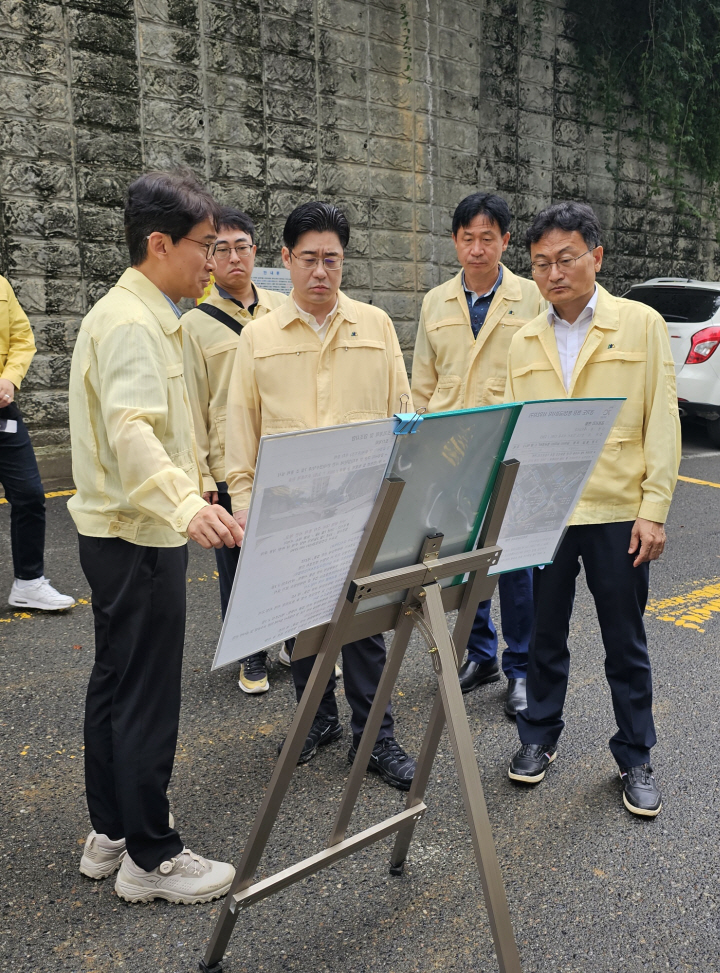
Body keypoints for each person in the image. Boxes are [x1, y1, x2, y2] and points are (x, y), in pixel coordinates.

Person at [68, 171, 244, 902]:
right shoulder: (136, 323)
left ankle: (112, 830)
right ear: (159, 243)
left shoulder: (137, 313)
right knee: (145, 692)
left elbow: (157, 427)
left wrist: (191, 479)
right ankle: (153, 855)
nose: (212, 260)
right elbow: (133, 430)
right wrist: (184, 503)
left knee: (116, 679)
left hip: (119, 529)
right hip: (141, 533)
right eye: (205, 245)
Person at [225, 201, 416, 789]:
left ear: (343, 261)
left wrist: (402, 497)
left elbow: (404, 416)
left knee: (365, 628)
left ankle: (376, 736)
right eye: (307, 259)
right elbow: (240, 427)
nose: (320, 272)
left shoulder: (375, 326)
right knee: (303, 626)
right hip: (291, 509)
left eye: (331, 259)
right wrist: (243, 503)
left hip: (361, 510)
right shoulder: (257, 337)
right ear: (285, 259)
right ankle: (317, 720)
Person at [504, 201, 680, 817]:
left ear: (596, 257)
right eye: (540, 263)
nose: (553, 273)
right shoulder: (524, 337)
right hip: (546, 514)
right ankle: (538, 738)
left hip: (615, 509)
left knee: (624, 640)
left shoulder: (641, 324)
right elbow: (512, 431)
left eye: (566, 258)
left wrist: (653, 508)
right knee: (543, 636)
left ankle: (635, 753)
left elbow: (662, 417)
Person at [411, 192, 544, 718]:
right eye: (468, 238)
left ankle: (523, 668)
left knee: (513, 565)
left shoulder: (532, 298)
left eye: (488, 238)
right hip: (450, 452)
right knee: (462, 562)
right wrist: (416, 446)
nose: (477, 248)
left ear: (506, 241)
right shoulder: (436, 302)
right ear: (455, 241)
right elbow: (423, 382)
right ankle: (481, 653)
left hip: (509, 450)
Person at [181, 207, 287, 695]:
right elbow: (194, 409)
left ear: (255, 251)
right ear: (210, 257)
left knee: (288, 554)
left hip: (283, 456)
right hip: (229, 464)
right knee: (238, 564)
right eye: (219, 248)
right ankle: (252, 651)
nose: (232, 257)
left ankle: (290, 638)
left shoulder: (283, 310)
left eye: (241, 245)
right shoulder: (195, 326)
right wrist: (202, 478)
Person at [1, 276, 75, 610]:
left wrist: (10, 377)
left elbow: (22, 337)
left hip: (2, 408)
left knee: (30, 494)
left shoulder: (2, 286)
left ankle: (29, 583)